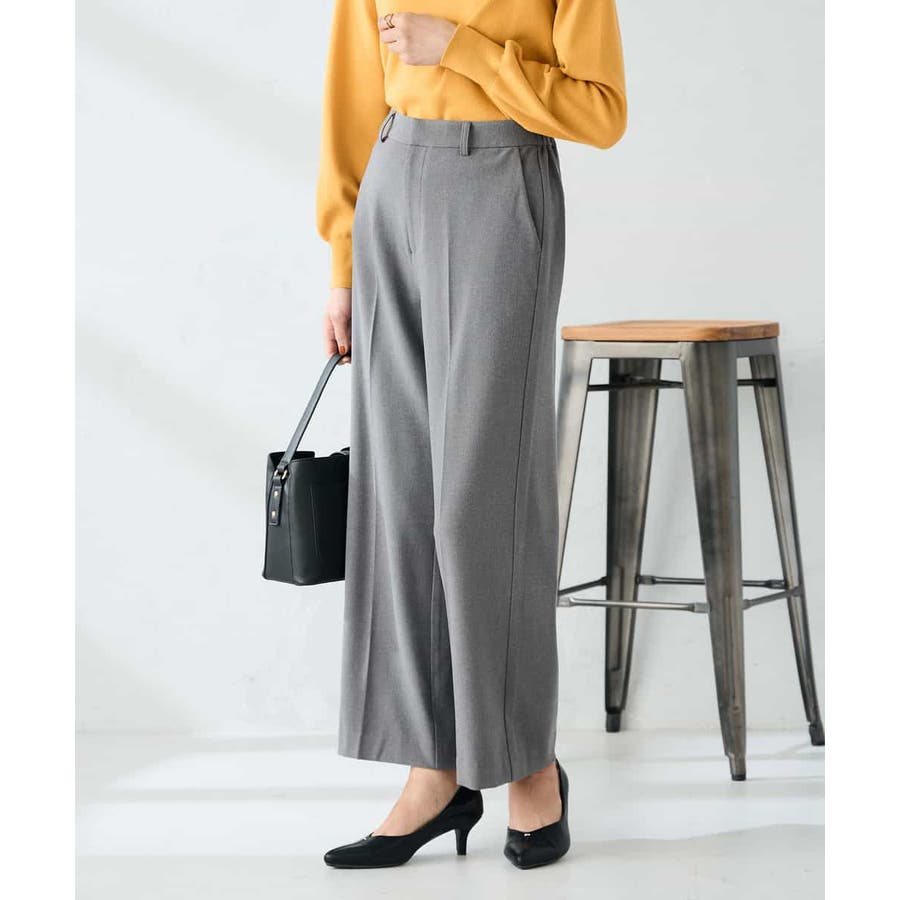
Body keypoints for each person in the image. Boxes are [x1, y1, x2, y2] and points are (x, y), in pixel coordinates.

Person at [316, 0, 626, 869]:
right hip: (391, 187)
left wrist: (465, 50)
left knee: (482, 506)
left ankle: (528, 764)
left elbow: (600, 112)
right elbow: (350, 104)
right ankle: (435, 771)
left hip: (501, 181)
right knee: (404, 499)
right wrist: (342, 264)